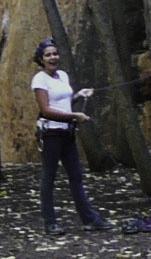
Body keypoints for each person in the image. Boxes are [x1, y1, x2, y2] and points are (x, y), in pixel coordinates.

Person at [31, 39, 109, 236]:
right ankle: (50, 223)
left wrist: (79, 96)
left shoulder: (62, 76)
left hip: (67, 132)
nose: (53, 57)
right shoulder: (40, 80)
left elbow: (64, 102)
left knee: (76, 177)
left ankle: (90, 220)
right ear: (41, 59)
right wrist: (75, 116)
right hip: (51, 133)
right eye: (48, 55)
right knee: (49, 177)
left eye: (55, 54)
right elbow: (46, 110)